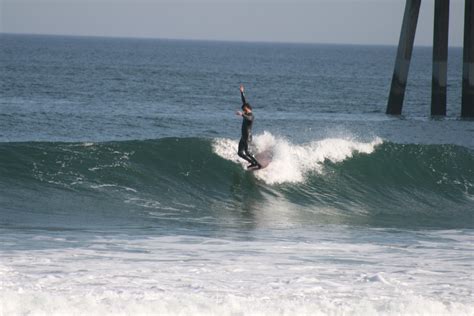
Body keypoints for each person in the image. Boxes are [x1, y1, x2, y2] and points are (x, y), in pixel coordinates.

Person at [236, 85, 261, 169]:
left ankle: (258, 164)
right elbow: (244, 102)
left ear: (247, 109)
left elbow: (249, 119)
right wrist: (242, 92)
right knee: (240, 153)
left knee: (247, 152)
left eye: (244, 109)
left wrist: (242, 114)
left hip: (247, 137)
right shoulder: (246, 112)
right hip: (243, 136)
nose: (243, 110)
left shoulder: (251, 116)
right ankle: (252, 162)